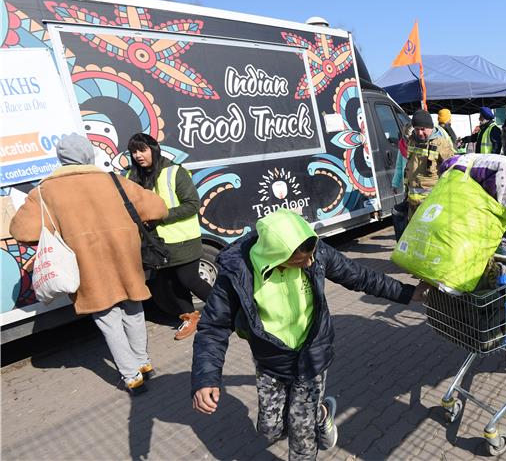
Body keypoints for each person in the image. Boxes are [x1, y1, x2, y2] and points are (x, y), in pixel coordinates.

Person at [191, 209, 427, 460]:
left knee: (302, 435)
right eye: (299, 261)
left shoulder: (316, 251)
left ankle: (313, 419)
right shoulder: (237, 271)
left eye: (311, 256)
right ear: (275, 256)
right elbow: (213, 327)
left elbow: (360, 276)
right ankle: (322, 413)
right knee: (270, 429)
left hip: (312, 358)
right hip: (271, 363)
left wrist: (408, 293)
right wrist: (205, 379)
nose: (310, 263)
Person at [10, 134, 168, 394]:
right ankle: (144, 363)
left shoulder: (44, 191)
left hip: (88, 268)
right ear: (87, 155)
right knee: (134, 310)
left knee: (108, 320)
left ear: (62, 158)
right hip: (124, 260)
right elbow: (158, 209)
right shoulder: (114, 181)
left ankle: (131, 377)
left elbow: (22, 231)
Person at [126, 133, 212, 340]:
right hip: (154, 244)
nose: (138, 155)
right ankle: (190, 317)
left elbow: (192, 204)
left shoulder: (174, 172)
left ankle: (230, 308)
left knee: (189, 279)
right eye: (134, 151)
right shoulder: (131, 177)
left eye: (142, 150)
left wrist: (161, 217)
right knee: (171, 284)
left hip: (181, 239)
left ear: (153, 149)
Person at [404, 109, 455, 220]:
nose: (420, 133)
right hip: (412, 203)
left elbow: (452, 170)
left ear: (430, 127)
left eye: (423, 129)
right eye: (417, 129)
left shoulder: (441, 143)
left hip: (432, 204)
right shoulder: (411, 141)